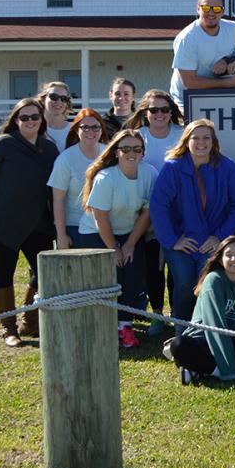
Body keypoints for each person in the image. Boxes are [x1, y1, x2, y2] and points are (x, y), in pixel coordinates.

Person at [0, 97, 59, 347]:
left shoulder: (49, 148)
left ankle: (30, 321)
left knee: (42, 274)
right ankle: (8, 329)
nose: (30, 121)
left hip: (39, 223)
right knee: (4, 272)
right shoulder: (2, 145)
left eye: (35, 116)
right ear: (16, 120)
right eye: (24, 117)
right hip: (2, 223)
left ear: (42, 120)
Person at [149, 119, 235, 327]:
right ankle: (182, 330)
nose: (201, 142)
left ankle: (207, 330)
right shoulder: (173, 168)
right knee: (185, 282)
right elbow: (158, 206)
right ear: (187, 141)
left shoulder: (227, 167)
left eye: (206, 138)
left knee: (207, 282)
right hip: (181, 239)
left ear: (214, 142)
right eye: (196, 138)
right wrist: (172, 240)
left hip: (212, 240)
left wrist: (219, 237)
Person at [76, 129, 156, 348]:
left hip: (129, 232)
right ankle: (103, 327)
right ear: (117, 152)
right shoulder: (106, 177)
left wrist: (129, 245)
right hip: (97, 233)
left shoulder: (150, 173)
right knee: (105, 280)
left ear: (142, 152)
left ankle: (125, 326)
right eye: (126, 149)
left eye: (137, 149)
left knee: (130, 276)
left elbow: (147, 212)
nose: (132, 153)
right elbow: (100, 216)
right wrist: (113, 248)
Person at [167, 236, 235, 384]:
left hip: (234, 340)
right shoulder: (213, 280)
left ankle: (198, 369)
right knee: (179, 345)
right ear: (221, 260)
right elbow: (215, 326)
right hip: (205, 339)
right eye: (228, 254)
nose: (234, 258)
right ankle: (221, 371)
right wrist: (228, 372)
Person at [126, 88, 185, 335]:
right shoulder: (137, 137)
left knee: (177, 265)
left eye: (164, 109)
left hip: (180, 212)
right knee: (153, 266)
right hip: (145, 214)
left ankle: (178, 314)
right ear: (145, 113)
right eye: (154, 110)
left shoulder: (183, 135)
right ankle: (157, 314)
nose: (159, 114)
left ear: (172, 112)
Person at [169, 0, 235, 107]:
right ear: (198, 9)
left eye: (217, 9)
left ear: (223, 11)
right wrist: (229, 83)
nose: (211, 13)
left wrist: (225, 60)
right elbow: (189, 82)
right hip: (186, 101)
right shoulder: (187, 38)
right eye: (206, 8)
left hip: (217, 97)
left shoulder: (233, 29)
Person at [48, 109, 108, 250]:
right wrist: (61, 235)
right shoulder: (65, 159)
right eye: (85, 127)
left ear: (101, 130)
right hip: (75, 226)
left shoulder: (109, 154)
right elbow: (58, 200)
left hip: (106, 225)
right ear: (76, 130)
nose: (90, 131)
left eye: (95, 127)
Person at [38, 81, 73, 148]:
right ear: (43, 99)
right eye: (54, 97)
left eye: (64, 98)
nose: (59, 101)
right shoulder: (34, 128)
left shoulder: (74, 130)